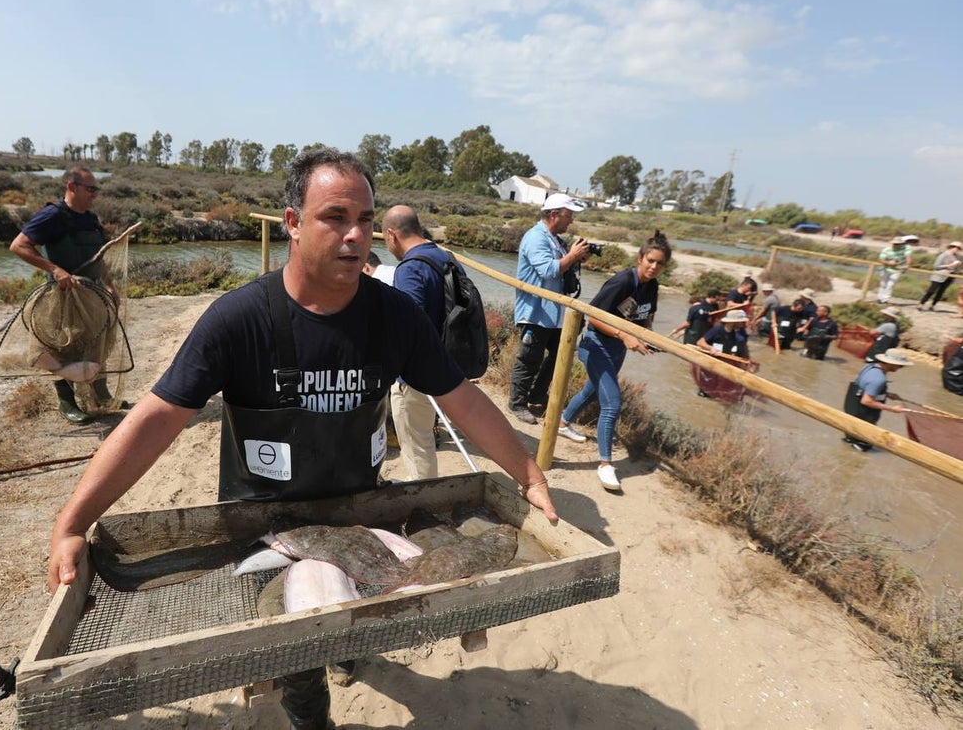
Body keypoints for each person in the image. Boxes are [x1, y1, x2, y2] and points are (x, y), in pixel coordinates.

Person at [44, 149, 558, 730]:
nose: (354, 235)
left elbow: (461, 398)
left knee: (351, 620)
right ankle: (312, 715)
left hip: (360, 510)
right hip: (263, 518)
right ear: (292, 222)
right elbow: (156, 420)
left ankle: (345, 651)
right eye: (334, 217)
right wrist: (72, 523)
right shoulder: (238, 320)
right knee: (295, 654)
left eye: (365, 220)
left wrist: (527, 473)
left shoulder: (395, 317)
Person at [558, 231, 672, 492]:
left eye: (660, 264)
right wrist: (624, 335)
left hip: (617, 349)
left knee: (591, 391)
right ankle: (606, 464)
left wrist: (647, 337)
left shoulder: (652, 286)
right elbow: (593, 315)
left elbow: (646, 317)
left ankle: (563, 423)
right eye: (650, 261)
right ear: (641, 258)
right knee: (612, 404)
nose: (654, 267)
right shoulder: (622, 281)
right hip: (595, 346)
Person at [10, 166, 116, 423]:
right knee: (64, 348)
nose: (95, 194)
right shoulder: (53, 216)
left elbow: (99, 258)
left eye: (96, 189)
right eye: (91, 189)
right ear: (72, 186)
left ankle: (101, 394)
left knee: (96, 340)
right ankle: (67, 402)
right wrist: (55, 269)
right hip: (63, 295)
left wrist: (110, 285)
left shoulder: (90, 219)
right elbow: (19, 245)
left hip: (93, 294)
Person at [381, 204, 456, 480]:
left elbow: (410, 327)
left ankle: (421, 505)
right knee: (423, 440)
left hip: (416, 376)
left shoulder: (410, 269)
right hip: (444, 364)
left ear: (391, 235)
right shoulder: (444, 257)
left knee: (416, 446)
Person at [509, 193, 592, 424]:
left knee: (559, 356)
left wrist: (575, 258)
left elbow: (561, 269)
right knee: (529, 359)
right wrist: (572, 256)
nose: (571, 221)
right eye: (569, 215)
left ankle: (537, 395)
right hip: (535, 312)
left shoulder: (555, 239)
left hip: (554, 313)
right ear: (554, 215)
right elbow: (547, 270)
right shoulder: (536, 238)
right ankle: (517, 403)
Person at [841, 349, 912, 452]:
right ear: (889, 363)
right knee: (862, 446)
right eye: (899, 365)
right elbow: (866, 401)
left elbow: (864, 387)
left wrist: (886, 394)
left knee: (851, 438)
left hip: (852, 408)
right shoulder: (879, 379)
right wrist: (892, 408)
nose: (901, 367)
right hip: (863, 413)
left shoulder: (870, 367)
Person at [917, 241, 962, 312]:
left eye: (958, 248)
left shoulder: (958, 257)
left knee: (941, 292)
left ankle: (933, 305)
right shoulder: (943, 255)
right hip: (939, 276)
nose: (956, 249)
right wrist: (948, 265)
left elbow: (958, 269)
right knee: (931, 291)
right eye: (954, 247)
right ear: (950, 247)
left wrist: (958, 266)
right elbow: (936, 266)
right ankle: (921, 303)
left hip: (949, 276)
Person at [876, 236, 910, 304]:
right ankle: (880, 298)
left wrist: (907, 265)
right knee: (883, 284)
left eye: (897, 244)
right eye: (894, 244)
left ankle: (885, 299)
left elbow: (908, 257)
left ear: (901, 244)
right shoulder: (886, 250)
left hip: (897, 270)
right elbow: (881, 260)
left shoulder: (904, 250)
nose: (896, 245)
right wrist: (889, 263)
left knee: (890, 285)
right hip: (885, 269)